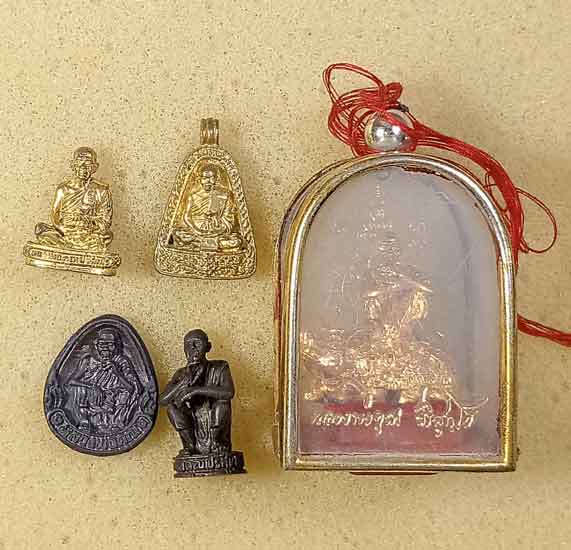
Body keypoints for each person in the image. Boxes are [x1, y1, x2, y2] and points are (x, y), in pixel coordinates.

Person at [159, 329, 235, 455]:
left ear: (208, 347)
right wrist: (182, 383)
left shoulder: (220, 367)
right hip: (193, 419)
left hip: (213, 416)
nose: (192, 348)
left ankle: (217, 442)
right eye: (188, 345)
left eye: (197, 343)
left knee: (222, 403)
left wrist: (196, 390)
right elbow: (162, 400)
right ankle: (189, 445)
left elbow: (228, 392)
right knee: (171, 408)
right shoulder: (181, 373)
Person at [35, 147, 113, 251]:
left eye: (88, 165)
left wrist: (88, 223)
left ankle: (69, 248)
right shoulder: (63, 189)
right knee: (41, 230)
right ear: (73, 165)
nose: (83, 168)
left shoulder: (101, 190)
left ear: (94, 167)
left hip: (88, 233)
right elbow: (55, 215)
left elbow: (105, 220)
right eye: (79, 164)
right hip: (66, 231)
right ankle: (72, 246)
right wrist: (64, 230)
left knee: (107, 236)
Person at [67, 328, 142, 433]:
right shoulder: (88, 360)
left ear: (116, 346)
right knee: (79, 389)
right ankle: (84, 421)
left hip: (113, 398)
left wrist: (117, 373)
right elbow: (71, 381)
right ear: (96, 345)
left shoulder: (122, 361)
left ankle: (116, 423)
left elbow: (132, 389)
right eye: (102, 344)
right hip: (92, 396)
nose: (106, 348)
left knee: (125, 392)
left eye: (110, 344)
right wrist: (92, 387)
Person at [172, 164, 242, 251]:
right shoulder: (193, 196)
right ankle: (206, 243)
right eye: (205, 178)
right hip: (197, 232)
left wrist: (218, 230)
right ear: (200, 179)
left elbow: (228, 218)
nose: (208, 181)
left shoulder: (224, 195)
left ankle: (199, 244)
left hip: (217, 232)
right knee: (178, 234)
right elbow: (187, 217)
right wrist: (197, 230)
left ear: (216, 179)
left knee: (236, 241)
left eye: (211, 178)